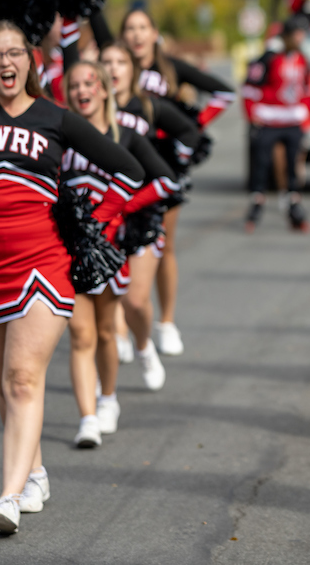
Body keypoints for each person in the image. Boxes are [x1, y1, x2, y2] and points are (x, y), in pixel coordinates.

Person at [0, 0, 146, 533]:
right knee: (4, 385)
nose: (4, 62)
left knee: (23, 379)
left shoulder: (56, 118)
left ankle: (7, 496)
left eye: (14, 52)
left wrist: (91, 220)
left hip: (43, 264)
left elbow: (130, 169)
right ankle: (33, 472)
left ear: (32, 58)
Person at [61, 60, 180, 447]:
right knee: (81, 333)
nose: (82, 90)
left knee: (108, 330)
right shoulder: (59, 135)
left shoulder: (125, 134)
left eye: (89, 82)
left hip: (109, 248)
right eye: (74, 84)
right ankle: (88, 418)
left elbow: (164, 180)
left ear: (103, 89)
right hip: (68, 247)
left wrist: (122, 208)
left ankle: (109, 395)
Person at [119, 8, 235, 357]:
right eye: (130, 29)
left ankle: (166, 321)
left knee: (163, 245)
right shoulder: (117, 68)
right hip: (125, 161)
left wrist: (192, 126)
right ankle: (121, 328)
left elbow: (224, 93)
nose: (137, 35)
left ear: (154, 32)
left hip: (164, 164)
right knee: (120, 243)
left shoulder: (171, 67)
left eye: (143, 28)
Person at [95, 40, 199, 387]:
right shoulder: (87, 112)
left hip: (140, 211)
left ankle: (145, 345)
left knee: (135, 299)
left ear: (132, 69)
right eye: (105, 61)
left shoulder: (148, 107)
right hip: (99, 216)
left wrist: (179, 158)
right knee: (102, 303)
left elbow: (190, 133)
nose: (113, 68)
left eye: (120, 62)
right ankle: (106, 368)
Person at [243, 16, 310, 232]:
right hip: (270, 118)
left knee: (293, 166)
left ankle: (293, 206)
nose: (302, 38)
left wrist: (306, 114)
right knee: (263, 164)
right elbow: (249, 86)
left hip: (292, 119)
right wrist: (251, 111)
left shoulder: (302, 58)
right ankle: (256, 203)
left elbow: (308, 89)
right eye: (298, 34)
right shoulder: (269, 58)